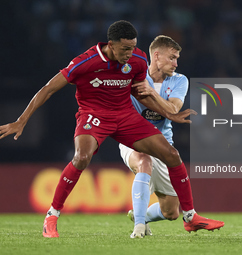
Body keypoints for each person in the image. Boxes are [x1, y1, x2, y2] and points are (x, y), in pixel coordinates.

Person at [0, 20, 224, 238]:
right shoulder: (85, 61)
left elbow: (139, 94)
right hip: (94, 115)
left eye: (133, 47)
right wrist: (22, 120)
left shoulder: (138, 59)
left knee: (172, 155)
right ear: (111, 44)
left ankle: (190, 217)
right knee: (81, 157)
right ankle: (52, 215)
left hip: (125, 115)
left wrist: (170, 114)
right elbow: (49, 88)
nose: (130, 53)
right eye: (125, 48)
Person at [120, 35, 190, 238]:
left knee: (171, 211)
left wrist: (151, 92)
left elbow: (173, 110)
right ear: (157, 56)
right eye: (172, 58)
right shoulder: (134, 76)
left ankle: (139, 215)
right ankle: (139, 227)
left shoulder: (180, 80)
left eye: (177, 59)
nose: (176, 63)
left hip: (163, 144)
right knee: (144, 161)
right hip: (132, 138)